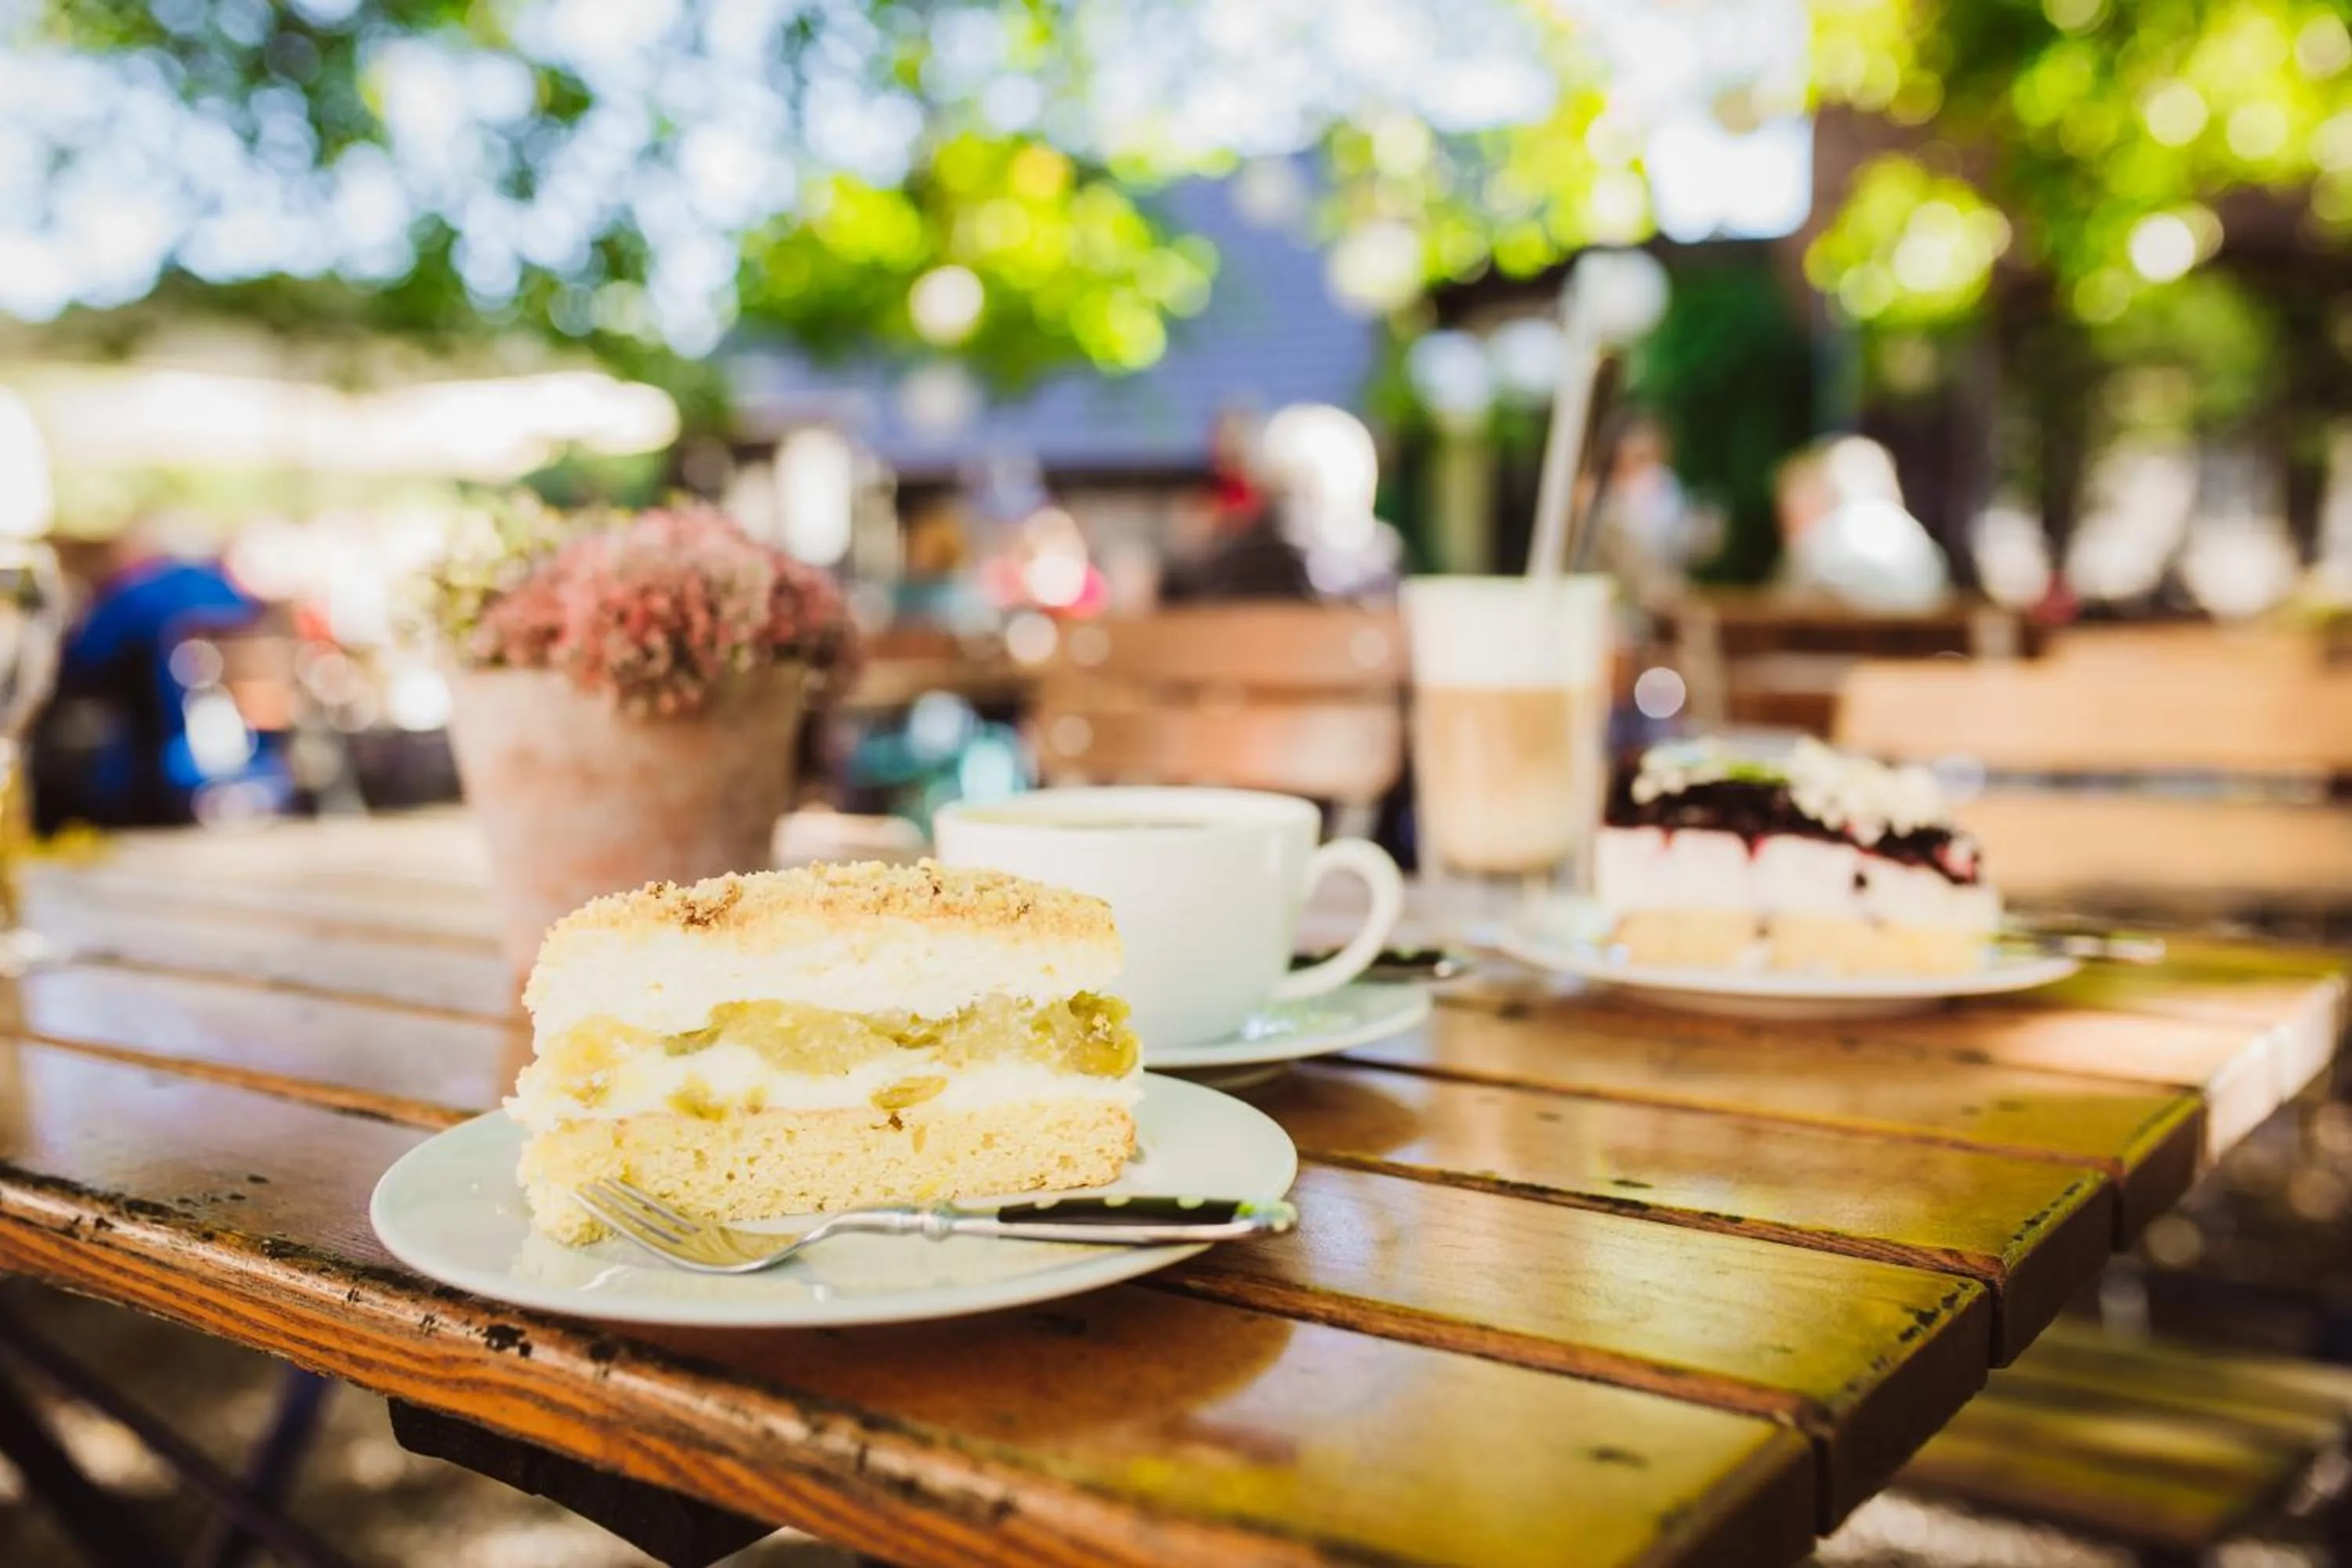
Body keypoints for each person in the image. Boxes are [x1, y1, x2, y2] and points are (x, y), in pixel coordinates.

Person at [33, 516, 289, 830]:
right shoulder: (231, 592)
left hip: (149, 767)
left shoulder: (135, 593)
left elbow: (80, 662)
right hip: (248, 757)